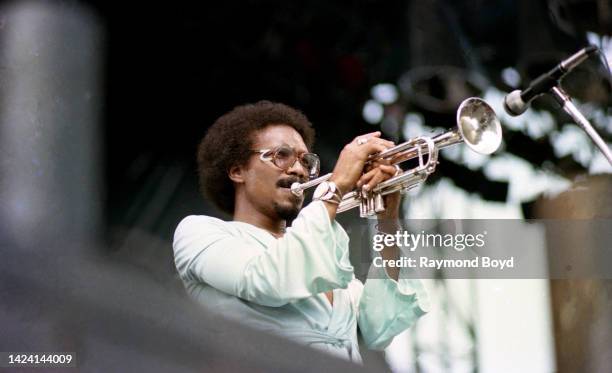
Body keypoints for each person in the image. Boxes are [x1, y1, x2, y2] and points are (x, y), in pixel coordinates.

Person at [173, 101, 428, 363]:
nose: (299, 170)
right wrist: (336, 185)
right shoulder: (198, 232)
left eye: (305, 160)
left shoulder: (325, 259)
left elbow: (380, 326)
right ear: (238, 171)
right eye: (281, 155)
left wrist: (387, 217)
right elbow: (267, 280)